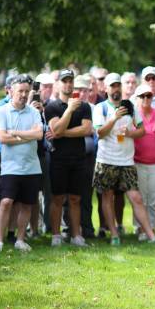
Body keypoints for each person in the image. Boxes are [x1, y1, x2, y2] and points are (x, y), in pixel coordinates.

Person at [92, 73, 155, 245]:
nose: (116, 89)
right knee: (107, 197)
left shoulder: (130, 106)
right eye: (112, 86)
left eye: (117, 86)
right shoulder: (100, 108)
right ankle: (114, 234)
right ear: (105, 89)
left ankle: (151, 236)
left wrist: (130, 133)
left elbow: (142, 130)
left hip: (127, 162)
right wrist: (114, 118)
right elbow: (99, 133)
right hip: (106, 160)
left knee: (136, 197)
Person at [45, 69, 93, 247]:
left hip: (79, 159)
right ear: (59, 84)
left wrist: (60, 132)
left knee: (75, 199)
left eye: (70, 81)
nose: (67, 84)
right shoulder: (52, 107)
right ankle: (56, 236)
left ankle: (76, 236)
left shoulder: (85, 106)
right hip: (58, 158)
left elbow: (86, 130)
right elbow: (54, 129)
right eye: (64, 81)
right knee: (57, 198)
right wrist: (70, 110)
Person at [0, 76, 44, 252]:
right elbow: (2, 138)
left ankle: (20, 239)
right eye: (20, 91)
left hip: (32, 167)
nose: (24, 95)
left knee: (27, 204)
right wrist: (28, 135)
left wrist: (16, 133)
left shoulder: (33, 112)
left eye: (27, 91)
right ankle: (0, 241)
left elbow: (39, 135)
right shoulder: (2, 112)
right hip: (10, 167)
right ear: (11, 92)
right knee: (6, 202)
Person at [133, 84, 155, 240]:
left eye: (149, 96)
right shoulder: (133, 115)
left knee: (153, 198)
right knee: (140, 198)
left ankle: (150, 228)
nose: (146, 99)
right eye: (142, 96)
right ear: (137, 98)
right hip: (137, 161)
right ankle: (140, 228)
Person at [73, 75, 96, 238]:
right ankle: (70, 229)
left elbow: (94, 132)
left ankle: (87, 228)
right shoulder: (68, 108)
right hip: (71, 155)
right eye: (78, 90)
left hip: (89, 156)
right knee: (70, 196)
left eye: (85, 90)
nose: (82, 94)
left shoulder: (94, 109)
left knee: (87, 195)